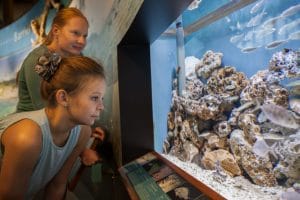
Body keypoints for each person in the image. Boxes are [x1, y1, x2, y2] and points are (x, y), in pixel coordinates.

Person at [0, 55, 106, 199]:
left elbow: (58, 184)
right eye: (94, 98)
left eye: (102, 99)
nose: (101, 107)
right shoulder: (27, 138)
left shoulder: (83, 132)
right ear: (63, 98)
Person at [17, 7, 89, 112]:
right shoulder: (44, 59)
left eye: (85, 36)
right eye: (75, 33)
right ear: (56, 31)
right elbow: (45, 110)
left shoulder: (77, 56)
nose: (82, 41)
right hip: (32, 121)